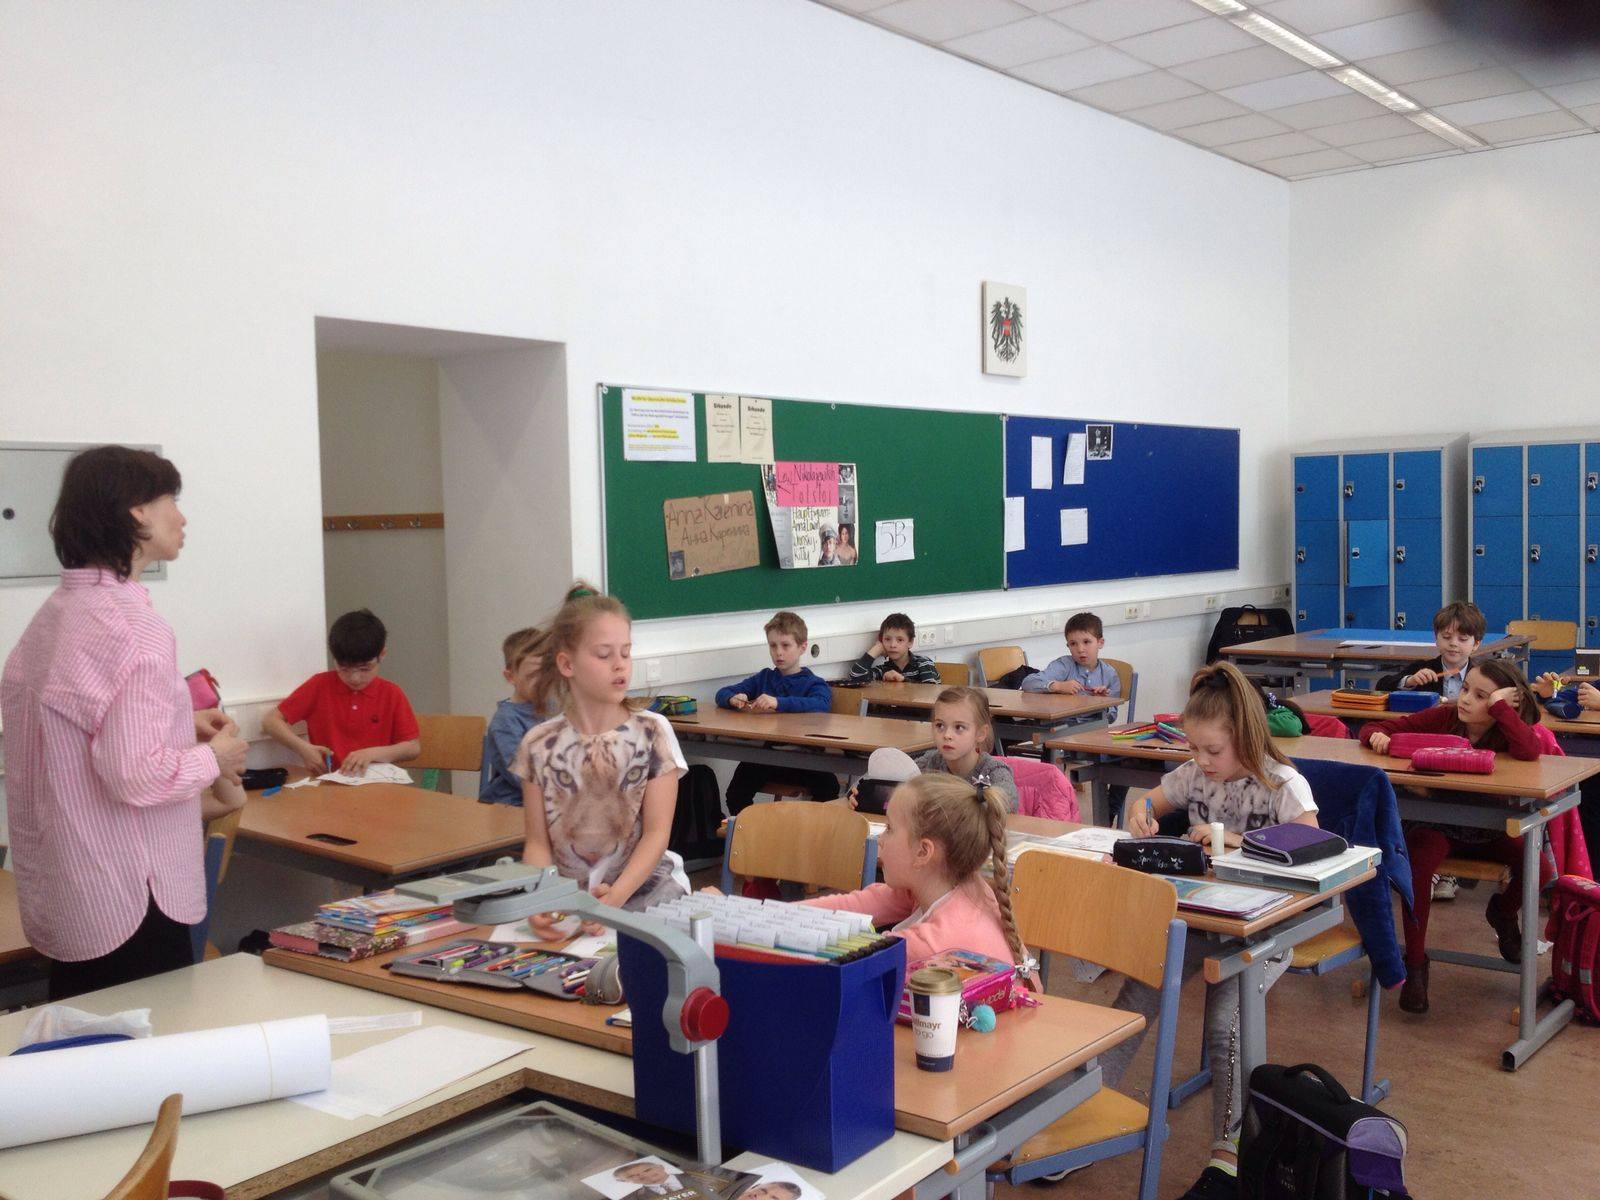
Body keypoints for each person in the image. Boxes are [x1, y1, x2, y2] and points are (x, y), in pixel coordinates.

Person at [0, 445, 249, 999]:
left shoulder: (57, 615)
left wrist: (180, 722)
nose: (181, 518)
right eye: (171, 501)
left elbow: (81, 731)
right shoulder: (133, 627)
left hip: (77, 889)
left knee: (86, 1037)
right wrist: (215, 757)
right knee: (145, 1039)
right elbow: (135, 776)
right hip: (135, 895)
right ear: (137, 511)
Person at [1119, 662, 1319, 1200]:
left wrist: (1237, 843)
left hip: (1268, 928)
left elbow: (1312, 844)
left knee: (1224, 1019)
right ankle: (1079, 1114)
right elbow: (1146, 800)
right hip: (1204, 920)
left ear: (1246, 738)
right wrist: (1140, 812)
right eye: (1194, 748)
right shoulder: (1194, 773)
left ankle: (1227, 1157)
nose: (1201, 761)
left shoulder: (1283, 783)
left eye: (1212, 750)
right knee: (1135, 995)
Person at [1359, 659, 1557, 1013]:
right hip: (1437, 826)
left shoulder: (1508, 729)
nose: (1465, 699)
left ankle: (1502, 913)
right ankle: (1415, 964)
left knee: (1540, 869)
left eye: (1481, 696)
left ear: (1504, 704)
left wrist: (1500, 709)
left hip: (1489, 829)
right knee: (1417, 866)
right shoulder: (1444, 717)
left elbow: (1529, 750)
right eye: (1466, 689)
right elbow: (1374, 726)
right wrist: (1377, 737)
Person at [511, 584, 688, 936]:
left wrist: (615, 898)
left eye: (626, 653)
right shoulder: (538, 743)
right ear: (567, 664)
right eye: (604, 655)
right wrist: (540, 901)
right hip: (570, 904)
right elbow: (537, 844)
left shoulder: (652, 732)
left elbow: (657, 834)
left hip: (646, 898)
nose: (620, 664)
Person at [803, 774, 1026, 967]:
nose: (880, 839)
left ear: (923, 852)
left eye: (889, 828)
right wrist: (783, 915)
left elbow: (859, 961)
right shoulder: (947, 882)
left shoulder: (933, 945)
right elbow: (857, 905)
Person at [261, 609, 421, 776]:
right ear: (334, 659)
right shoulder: (319, 685)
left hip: (377, 783)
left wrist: (371, 754)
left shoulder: (391, 694)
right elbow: (271, 721)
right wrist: (303, 749)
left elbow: (412, 747)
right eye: (344, 668)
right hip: (330, 781)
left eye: (365, 669)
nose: (355, 678)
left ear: (382, 655)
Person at [715, 611, 835, 815]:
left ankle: (811, 832)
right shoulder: (764, 678)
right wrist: (733, 698)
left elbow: (821, 704)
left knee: (829, 788)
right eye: (773, 646)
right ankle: (752, 831)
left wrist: (778, 702)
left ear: (802, 647)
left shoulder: (814, 683)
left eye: (786, 645)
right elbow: (722, 693)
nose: (778, 652)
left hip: (805, 759)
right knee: (736, 793)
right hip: (769, 757)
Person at [912, 687, 1019, 812]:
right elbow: (900, 786)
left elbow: (1007, 803)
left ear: (980, 733)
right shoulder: (928, 763)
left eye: (959, 727)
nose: (947, 735)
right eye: (940, 725)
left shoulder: (993, 771)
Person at [479, 626, 545, 805]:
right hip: (510, 804)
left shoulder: (554, 708)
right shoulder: (506, 720)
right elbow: (520, 775)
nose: (542, 682)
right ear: (511, 677)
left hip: (546, 801)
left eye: (547, 673)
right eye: (532, 675)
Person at [1375, 600, 1485, 697]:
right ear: (1436, 639)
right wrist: (1410, 681)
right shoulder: (1421, 668)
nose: (1453, 644)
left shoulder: (1482, 675)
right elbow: (1381, 686)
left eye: (1463, 639)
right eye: (1446, 637)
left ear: (1476, 644)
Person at [1020, 611, 1121, 703]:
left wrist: (1102, 702)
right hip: (1064, 717)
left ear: (1100, 643)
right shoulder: (1064, 665)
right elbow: (1028, 683)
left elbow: (1113, 712)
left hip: (1097, 717)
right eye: (1073, 644)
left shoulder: (1109, 674)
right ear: (1068, 646)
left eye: (1086, 642)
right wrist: (1058, 686)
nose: (1080, 649)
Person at [847, 612, 941, 684]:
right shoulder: (883, 670)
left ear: (910, 642)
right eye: (887, 639)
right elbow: (856, 676)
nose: (892, 645)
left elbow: (930, 692)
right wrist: (877, 649)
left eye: (900, 640)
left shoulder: (923, 663)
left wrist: (903, 680)